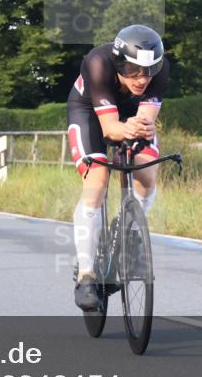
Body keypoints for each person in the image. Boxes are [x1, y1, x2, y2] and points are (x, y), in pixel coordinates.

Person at [66, 25, 169, 310]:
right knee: (97, 179)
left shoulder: (159, 72)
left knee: (147, 172)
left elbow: (146, 118)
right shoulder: (98, 63)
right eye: (135, 72)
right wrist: (126, 128)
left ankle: (126, 230)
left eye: (148, 72)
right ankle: (86, 274)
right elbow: (111, 130)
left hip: (129, 114)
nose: (142, 80)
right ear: (120, 64)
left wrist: (142, 125)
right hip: (89, 111)